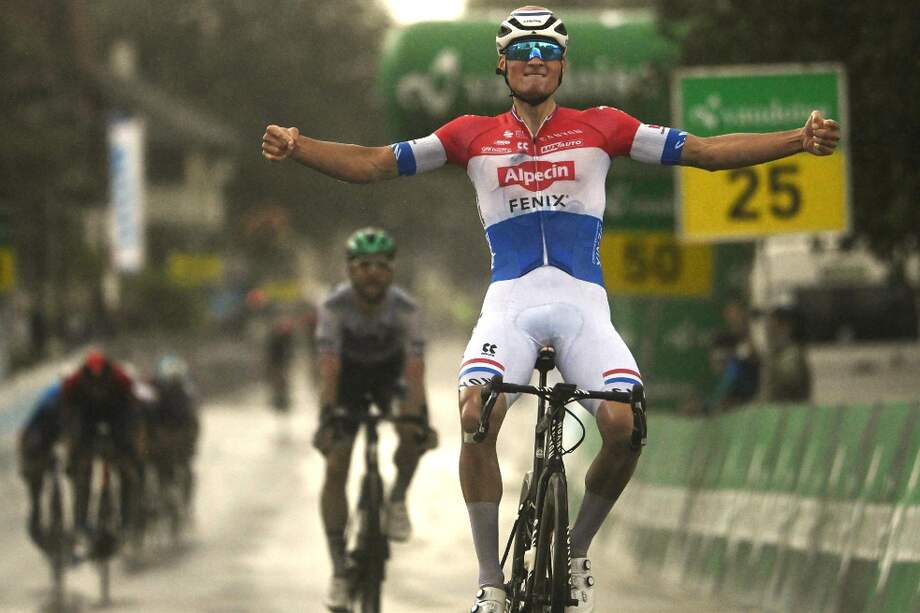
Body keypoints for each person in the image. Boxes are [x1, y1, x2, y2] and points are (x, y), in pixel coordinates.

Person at [261, 6, 841, 611]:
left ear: (562, 65)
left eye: (546, 53)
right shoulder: (467, 134)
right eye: (521, 53)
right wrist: (300, 147)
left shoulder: (604, 126)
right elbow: (375, 163)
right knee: (474, 414)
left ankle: (576, 551)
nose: (534, 62)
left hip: (582, 304)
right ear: (502, 64)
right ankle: (489, 579)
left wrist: (796, 141)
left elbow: (706, 152)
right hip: (509, 302)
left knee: (623, 425)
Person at [311, 227, 437, 611]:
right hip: (347, 382)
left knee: (412, 435)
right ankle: (339, 569)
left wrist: (415, 419)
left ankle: (396, 499)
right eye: (364, 265)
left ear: (392, 270)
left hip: (391, 380)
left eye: (381, 266)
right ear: (350, 269)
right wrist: (327, 416)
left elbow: (414, 370)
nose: (372, 273)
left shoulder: (407, 309)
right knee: (336, 466)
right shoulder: (333, 307)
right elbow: (328, 368)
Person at [61, 350, 144, 541]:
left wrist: (131, 441)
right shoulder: (75, 380)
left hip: (116, 418)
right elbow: (68, 408)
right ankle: (80, 523)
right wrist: (72, 444)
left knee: (126, 470)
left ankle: (125, 520)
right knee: (82, 474)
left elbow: (132, 406)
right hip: (87, 420)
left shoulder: (120, 377)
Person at [147, 354, 201, 523]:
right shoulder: (152, 391)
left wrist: (190, 444)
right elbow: (148, 419)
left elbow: (192, 424)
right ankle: (160, 500)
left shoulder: (186, 393)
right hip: (161, 438)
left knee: (185, 468)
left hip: (180, 437)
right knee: (159, 470)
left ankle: (185, 504)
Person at [17, 379, 65, 548]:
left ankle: (48, 530)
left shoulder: (47, 409)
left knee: (42, 494)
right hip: (36, 454)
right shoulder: (50, 409)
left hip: (38, 452)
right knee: (38, 494)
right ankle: (42, 532)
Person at [763, 305, 812, 402]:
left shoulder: (792, 354)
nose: (768, 332)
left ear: (785, 327)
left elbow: (788, 379)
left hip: (788, 412)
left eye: (773, 327)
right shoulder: (777, 353)